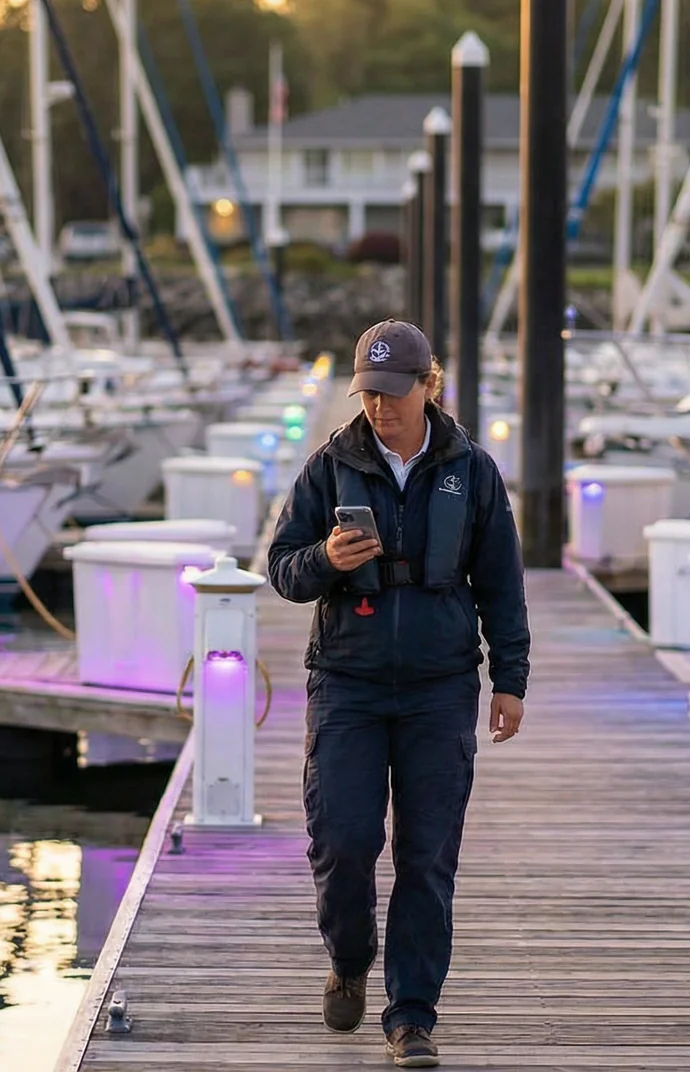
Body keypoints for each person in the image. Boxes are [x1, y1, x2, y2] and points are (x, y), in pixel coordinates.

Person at [267, 319, 530, 1069]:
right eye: (368, 392)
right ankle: (349, 958)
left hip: (440, 685)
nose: (379, 406)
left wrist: (509, 678)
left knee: (427, 857)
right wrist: (326, 557)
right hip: (345, 681)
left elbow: (503, 583)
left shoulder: (472, 470)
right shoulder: (330, 465)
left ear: (429, 386)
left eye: (393, 391)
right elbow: (283, 568)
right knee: (343, 841)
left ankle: (411, 1015)